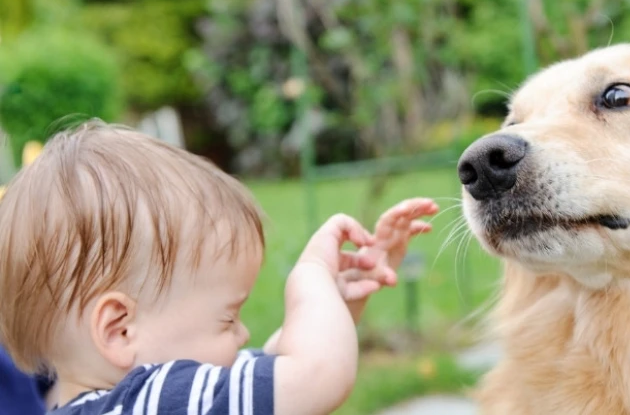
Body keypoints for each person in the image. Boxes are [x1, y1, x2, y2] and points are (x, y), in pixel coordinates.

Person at [0, 121, 438, 415]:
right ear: (120, 329)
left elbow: (273, 364)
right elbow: (316, 374)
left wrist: (335, 302)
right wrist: (312, 280)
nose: (242, 333)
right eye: (228, 317)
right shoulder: (149, 399)